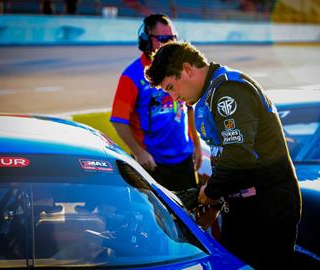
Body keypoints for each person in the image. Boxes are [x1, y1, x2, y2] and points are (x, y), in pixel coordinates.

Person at [145, 41, 302, 269]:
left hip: (268, 207)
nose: (173, 97)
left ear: (187, 69)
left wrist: (206, 194)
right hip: (245, 205)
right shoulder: (212, 92)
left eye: (170, 87)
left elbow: (239, 156)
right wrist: (216, 201)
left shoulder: (228, 90)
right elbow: (227, 156)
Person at [110, 14, 202, 192]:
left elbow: (189, 108)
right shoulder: (131, 75)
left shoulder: (181, 68)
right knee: (158, 217)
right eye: (163, 39)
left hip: (184, 160)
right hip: (152, 163)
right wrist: (139, 152)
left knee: (189, 214)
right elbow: (118, 120)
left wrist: (197, 146)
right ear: (146, 40)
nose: (170, 44)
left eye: (173, 38)